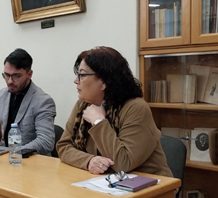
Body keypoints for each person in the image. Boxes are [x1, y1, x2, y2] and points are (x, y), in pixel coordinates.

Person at [56, 46, 172, 177]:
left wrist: (98, 121)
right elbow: (63, 146)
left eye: (82, 75)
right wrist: (89, 161)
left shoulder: (135, 108)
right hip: (102, 181)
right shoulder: (83, 105)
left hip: (148, 184)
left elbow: (123, 163)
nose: (76, 80)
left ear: (104, 81)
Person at [0, 48, 56, 156]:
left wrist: (14, 152)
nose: (10, 81)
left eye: (16, 76)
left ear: (29, 74)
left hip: (29, 160)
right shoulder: (3, 94)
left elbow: (46, 142)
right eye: (6, 75)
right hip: (3, 156)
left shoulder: (43, 101)